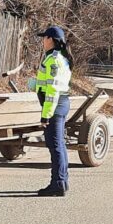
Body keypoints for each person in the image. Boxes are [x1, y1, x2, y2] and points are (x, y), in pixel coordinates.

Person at [28, 26, 74, 197]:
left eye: (44, 37)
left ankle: (58, 184)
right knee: (59, 145)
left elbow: (53, 91)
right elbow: (49, 83)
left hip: (55, 105)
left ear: (51, 40)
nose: (42, 41)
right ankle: (62, 181)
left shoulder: (54, 60)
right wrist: (35, 85)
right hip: (60, 103)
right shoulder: (57, 58)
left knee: (55, 146)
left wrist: (45, 115)